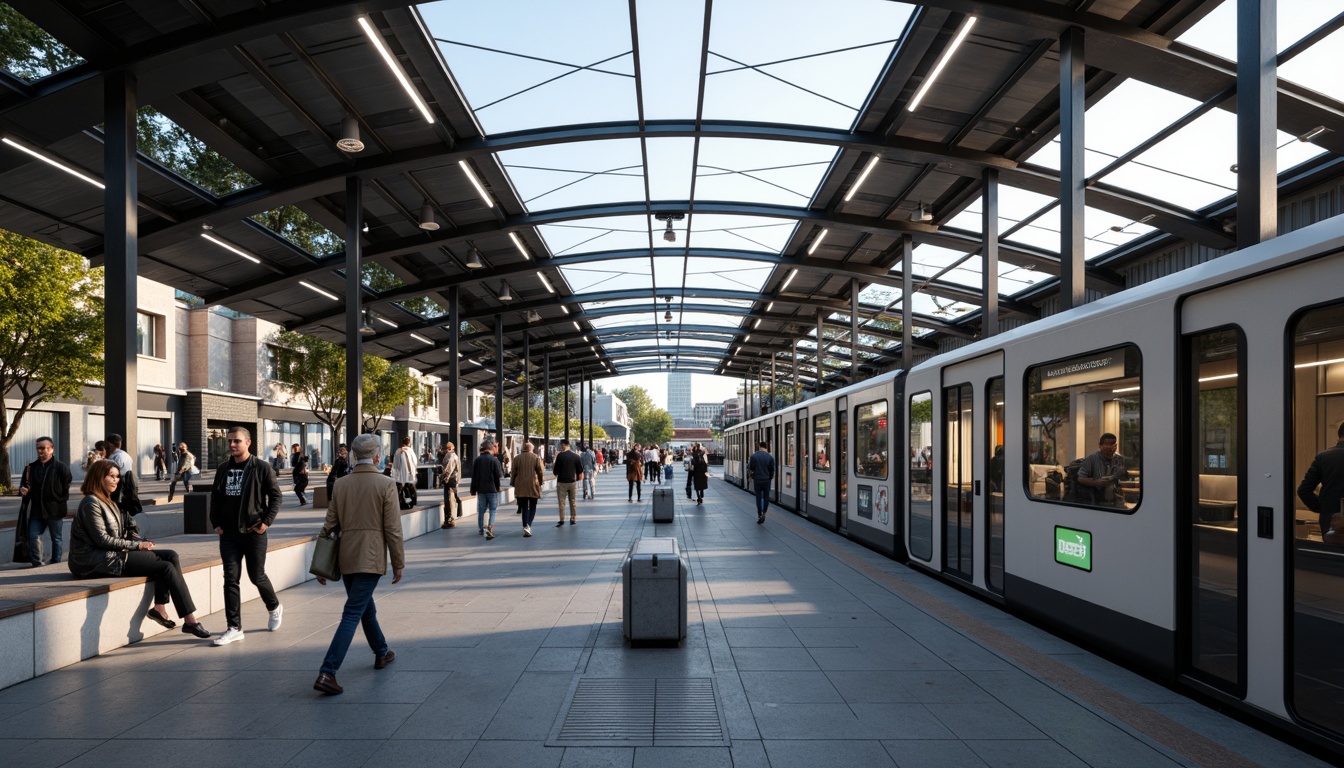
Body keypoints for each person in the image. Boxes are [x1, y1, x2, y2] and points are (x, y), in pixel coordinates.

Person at [69, 460, 212, 638]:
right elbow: (102, 540)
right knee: (165, 567)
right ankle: (190, 621)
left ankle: (160, 607)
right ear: (99, 477)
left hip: (112, 554)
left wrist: (139, 540)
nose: (116, 481)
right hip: (93, 560)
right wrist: (137, 546)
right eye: (110, 476)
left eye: (117, 477)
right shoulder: (91, 503)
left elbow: (126, 531)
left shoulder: (110, 501)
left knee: (171, 555)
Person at [313, 433, 404, 695]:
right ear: (377, 456)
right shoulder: (386, 484)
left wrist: (319, 563)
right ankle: (327, 671)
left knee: (365, 608)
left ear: (353, 455)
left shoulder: (340, 484)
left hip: (346, 556)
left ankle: (382, 651)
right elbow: (393, 528)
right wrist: (398, 561)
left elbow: (329, 526)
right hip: (371, 556)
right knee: (353, 612)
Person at [210, 426, 284, 646]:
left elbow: (276, 497)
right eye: (229, 441)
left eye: (237, 441)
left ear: (248, 443)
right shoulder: (223, 468)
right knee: (230, 579)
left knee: (256, 576)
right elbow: (215, 497)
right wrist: (216, 523)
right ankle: (234, 628)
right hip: (229, 534)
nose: (232, 445)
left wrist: (265, 522)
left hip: (253, 532)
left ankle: (274, 607)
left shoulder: (261, 467)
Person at [19, 436, 71, 566]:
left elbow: (66, 487)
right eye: (38, 448)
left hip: (55, 510)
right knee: (33, 537)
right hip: (37, 511)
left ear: (51, 449)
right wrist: (24, 491)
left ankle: (55, 564)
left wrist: (58, 500)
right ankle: (37, 564)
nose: (41, 451)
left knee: (57, 539)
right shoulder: (30, 468)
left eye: (44, 448)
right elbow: (23, 487)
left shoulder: (61, 467)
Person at [1298, 422, 1344, 539]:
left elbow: (1303, 490)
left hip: (1331, 522)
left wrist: (1322, 507)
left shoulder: (1323, 457)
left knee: (1330, 555)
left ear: (1338, 435)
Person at [1076, 433, 1131, 507]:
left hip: (1115, 500)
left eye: (1112, 444)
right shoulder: (1091, 459)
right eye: (1106, 444)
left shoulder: (1119, 459)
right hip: (1096, 501)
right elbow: (1080, 478)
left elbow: (1125, 478)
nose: (1110, 447)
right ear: (1100, 446)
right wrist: (1096, 483)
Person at [471, 441, 503, 539]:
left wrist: (473, 490)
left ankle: (481, 529)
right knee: (492, 510)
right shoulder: (494, 460)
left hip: (481, 489)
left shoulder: (477, 460)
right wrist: (498, 487)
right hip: (492, 489)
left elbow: (474, 477)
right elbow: (499, 475)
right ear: (490, 449)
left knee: (481, 510)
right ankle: (490, 527)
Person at [511, 442, 544, 536]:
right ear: (531, 449)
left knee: (524, 507)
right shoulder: (536, 458)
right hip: (533, 485)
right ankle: (528, 525)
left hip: (521, 486)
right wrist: (540, 482)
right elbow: (540, 472)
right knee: (533, 507)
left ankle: (525, 525)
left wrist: (513, 482)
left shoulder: (517, 458)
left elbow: (513, 472)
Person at [104, 434, 141, 516]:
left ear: (111, 444)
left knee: (118, 509)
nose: (105, 446)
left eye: (107, 443)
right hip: (123, 486)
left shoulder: (118, 457)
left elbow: (113, 472)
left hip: (119, 487)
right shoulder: (125, 455)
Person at [552, 440, 582, 527]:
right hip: (572, 482)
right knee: (573, 502)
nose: (561, 447)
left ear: (564, 445)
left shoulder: (560, 456)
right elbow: (580, 470)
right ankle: (573, 518)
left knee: (561, 502)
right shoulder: (576, 457)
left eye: (561, 445)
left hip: (562, 482)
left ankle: (562, 519)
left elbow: (555, 472)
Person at [747, 441, 776, 524]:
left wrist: (751, 476)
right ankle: (764, 512)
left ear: (759, 447)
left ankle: (760, 514)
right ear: (766, 447)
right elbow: (772, 470)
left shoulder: (754, 456)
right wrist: (769, 478)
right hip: (766, 480)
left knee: (758, 497)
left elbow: (750, 468)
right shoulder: (770, 457)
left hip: (757, 480)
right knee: (766, 498)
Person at [439, 442, 461, 528]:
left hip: (450, 482)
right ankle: (450, 519)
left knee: (448, 500)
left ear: (449, 448)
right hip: (454, 481)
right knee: (452, 500)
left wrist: (443, 479)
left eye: (446, 448)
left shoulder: (450, 456)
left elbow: (448, 470)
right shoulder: (456, 456)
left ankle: (449, 520)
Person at [392, 436, 417, 509]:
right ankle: (410, 501)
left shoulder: (398, 451)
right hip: (409, 474)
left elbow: (395, 464)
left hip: (399, 475)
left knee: (400, 488)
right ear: (409, 443)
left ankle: (401, 502)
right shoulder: (410, 451)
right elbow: (415, 462)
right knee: (408, 487)